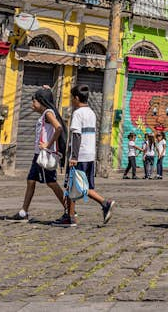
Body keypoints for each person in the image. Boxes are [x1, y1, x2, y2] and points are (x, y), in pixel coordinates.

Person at [52, 85, 115, 227]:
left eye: (71, 98)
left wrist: (73, 156)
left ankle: (72, 216)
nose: (71, 101)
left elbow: (76, 135)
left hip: (79, 155)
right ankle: (76, 214)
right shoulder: (91, 113)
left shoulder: (78, 113)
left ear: (76, 98)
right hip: (89, 155)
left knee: (70, 186)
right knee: (83, 186)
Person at [5, 88, 66, 221]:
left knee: (51, 183)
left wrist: (48, 145)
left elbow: (59, 128)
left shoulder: (48, 113)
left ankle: (70, 211)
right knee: (31, 180)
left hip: (44, 155)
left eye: (34, 101)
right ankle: (23, 212)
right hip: (38, 155)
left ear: (42, 102)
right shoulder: (45, 113)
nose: (32, 104)